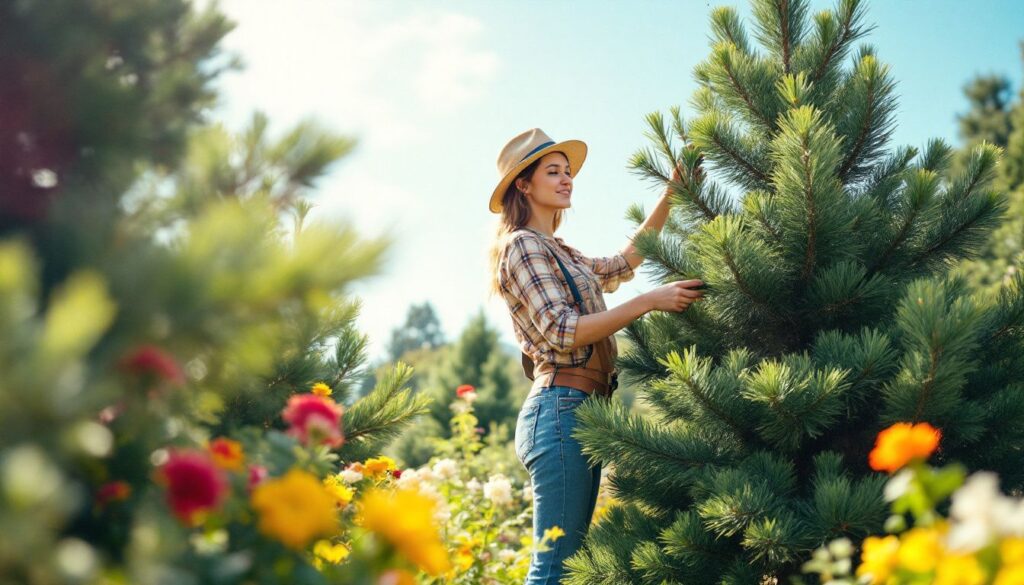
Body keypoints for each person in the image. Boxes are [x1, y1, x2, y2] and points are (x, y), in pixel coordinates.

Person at [486, 127, 705, 584]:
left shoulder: (560, 251)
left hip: (582, 411)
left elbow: (624, 263)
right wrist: (649, 301)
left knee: (567, 568)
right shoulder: (522, 246)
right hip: (559, 410)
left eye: (568, 172)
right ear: (523, 185)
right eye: (553, 172)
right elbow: (563, 331)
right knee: (554, 567)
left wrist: (672, 193)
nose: (567, 180)